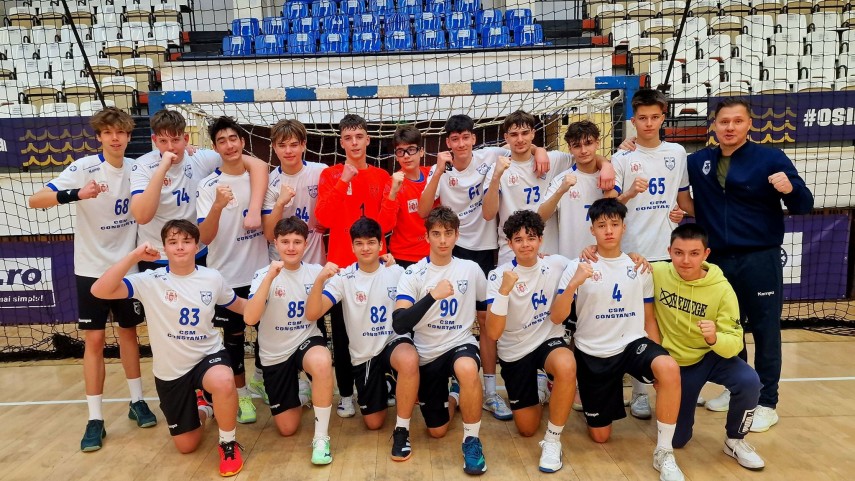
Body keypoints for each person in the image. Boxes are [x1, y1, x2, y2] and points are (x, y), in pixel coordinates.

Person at [619, 97, 815, 430]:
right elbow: (673, 181)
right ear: (714, 126)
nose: (730, 128)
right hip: (719, 260)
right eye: (724, 122)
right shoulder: (698, 161)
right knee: (728, 327)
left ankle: (767, 401)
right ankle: (735, 388)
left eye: (737, 121)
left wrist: (790, 188)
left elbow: (804, 204)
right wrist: (630, 145)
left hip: (759, 257)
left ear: (749, 124)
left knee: (766, 330)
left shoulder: (771, 158)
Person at [28, 107, 156, 452]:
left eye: (121, 132)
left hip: (127, 268)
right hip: (90, 269)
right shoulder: (83, 168)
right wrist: (77, 194)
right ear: (99, 137)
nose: (115, 138)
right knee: (95, 340)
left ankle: (137, 401)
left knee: (129, 335)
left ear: (128, 136)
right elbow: (35, 200)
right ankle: (95, 418)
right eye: (108, 133)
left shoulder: (137, 168)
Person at [90, 220, 247, 477]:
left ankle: (227, 444)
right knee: (187, 445)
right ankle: (204, 408)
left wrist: (270, 299)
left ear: (197, 246)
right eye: (173, 242)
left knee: (223, 380)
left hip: (207, 355)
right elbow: (99, 290)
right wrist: (134, 256)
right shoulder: (149, 279)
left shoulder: (212, 277)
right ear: (164, 247)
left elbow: (241, 306)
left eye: (186, 241)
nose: (180, 247)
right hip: (171, 370)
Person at [418, 114, 548, 421]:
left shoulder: (490, 156)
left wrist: (540, 150)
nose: (461, 144)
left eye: (466, 137)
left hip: (486, 251)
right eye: (455, 139)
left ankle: (490, 390)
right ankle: (450, 380)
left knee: (487, 321)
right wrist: (437, 172)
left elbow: (521, 146)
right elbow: (423, 210)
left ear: (474, 139)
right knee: (447, 315)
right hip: (452, 249)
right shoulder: (441, 168)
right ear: (448, 142)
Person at [551, 198, 684, 481]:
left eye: (614, 224)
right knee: (601, 436)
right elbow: (557, 317)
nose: (609, 230)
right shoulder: (578, 266)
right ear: (592, 230)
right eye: (602, 225)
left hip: (631, 344)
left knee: (669, 367)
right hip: (593, 352)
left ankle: (664, 451)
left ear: (624, 227)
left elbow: (649, 319)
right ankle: (591, 402)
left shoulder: (638, 266)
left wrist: (659, 358)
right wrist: (573, 284)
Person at [305, 217, 420, 462]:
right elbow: (313, 313)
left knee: (409, 358)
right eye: (359, 243)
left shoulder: (397, 272)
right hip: (364, 355)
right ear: (352, 247)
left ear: (381, 245)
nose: (365, 248)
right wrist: (320, 280)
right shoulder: (343, 278)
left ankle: (402, 431)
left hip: (392, 343)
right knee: (373, 423)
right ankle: (387, 385)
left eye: (371, 242)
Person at [652, 224, 765, 470]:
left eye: (694, 253)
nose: (685, 260)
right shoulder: (657, 272)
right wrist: (632, 256)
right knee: (678, 440)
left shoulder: (722, 289)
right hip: (678, 365)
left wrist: (715, 338)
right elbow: (624, 264)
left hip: (712, 356)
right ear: (669, 251)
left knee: (749, 381)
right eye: (679, 253)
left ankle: (735, 440)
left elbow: (734, 343)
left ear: (706, 254)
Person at [611, 89, 694, 420]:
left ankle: (668, 386)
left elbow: (684, 200)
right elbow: (610, 208)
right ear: (633, 120)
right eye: (642, 118)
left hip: (666, 252)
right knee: (633, 324)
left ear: (663, 117)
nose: (648, 123)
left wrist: (684, 214)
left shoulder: (677, 153)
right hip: (632, 254)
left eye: (654, 117)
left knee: (664, 324)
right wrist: (630, 192)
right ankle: (639, 392)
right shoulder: (621, 158)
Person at [392, 206, 489, 475]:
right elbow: (399, 323)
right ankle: (454, 396)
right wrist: (432, 296)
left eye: (448, 233)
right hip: (428, 352)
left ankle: (472, 441)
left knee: (467, 368)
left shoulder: (471, 269)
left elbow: (485, 315)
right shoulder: (414, 273)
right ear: (427, 237)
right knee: (437, 431)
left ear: (457, 235)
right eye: (436, 234)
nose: (443, 240)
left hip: (460, 343)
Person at [314, 113, 395, 418]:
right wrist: (344, 181)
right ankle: (346, 394)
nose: (354, 143)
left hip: (375, 268)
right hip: (341, 269)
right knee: (343, 335)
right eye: (348, 138)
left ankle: (382, 384)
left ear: (368, 139)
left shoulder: (381, 176)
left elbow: (387, 225)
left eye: (359, 136)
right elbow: (323, 218)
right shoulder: (331, 174)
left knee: (380, 329)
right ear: (341, 142)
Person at [484, 210, 576, 473]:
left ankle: (553, 440)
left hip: (548, 339)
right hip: (515, 350)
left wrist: (633, 256)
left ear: (541, 240)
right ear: (509, 243)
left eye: (531, 238)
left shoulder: (557, 263)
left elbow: (592, 258)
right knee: (526, 428)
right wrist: (504, 291)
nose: (525, 244)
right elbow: (493, 333)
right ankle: (540, 385)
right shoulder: (498, 276)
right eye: (518, 239)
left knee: (567, 365)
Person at [243, 217, 335, 466]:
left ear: (306, 243)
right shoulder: (263, 274)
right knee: (287, 428)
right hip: (275, 353)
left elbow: (351, 278)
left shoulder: (316, 272)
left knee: (322, 361)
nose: (291, 247)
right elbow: (250, 319)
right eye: (285, 242)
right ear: (275, 243)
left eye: (297, 241)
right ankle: (302, 392)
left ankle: (321, 438)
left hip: (306, 340)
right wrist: (269, 279)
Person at [196, 116, 270, 425]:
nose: (229, 145)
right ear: (215, 148)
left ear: (243, 142)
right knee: (234, 338)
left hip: (260, 274)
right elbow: (204, 237)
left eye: (233, 139)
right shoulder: (207, 186)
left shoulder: (259, 177)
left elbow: (262, 166)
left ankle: (260, 379)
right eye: (222, 141)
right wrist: (217, 206)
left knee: (267, 332)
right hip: (226, 277)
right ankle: (240, 395)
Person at [130, 109, 268, 270]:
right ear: (154, 140)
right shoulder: (143, 165)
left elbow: (259, 165)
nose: (170, 147)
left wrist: (254, 210)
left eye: (176, 140)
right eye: (163, 141)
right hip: (156, 254)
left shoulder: (200, 157)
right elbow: (142, 217)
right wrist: (162, 168)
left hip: (196, 251)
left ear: (186, 139)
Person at [481, 110, 572, 265]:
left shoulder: (553, 160)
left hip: (546, 252)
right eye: (514, 134)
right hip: (511, 254)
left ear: (533, 134)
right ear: (506, 138)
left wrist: (605, 166)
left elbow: (585, 158)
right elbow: (488, 214)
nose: (520, 139)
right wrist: (496, 176)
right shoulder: (498, 168)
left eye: (525, 133)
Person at [538, 120, 612, 260]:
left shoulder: (609, 176)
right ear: (570, 148)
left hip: (605, 259)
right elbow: (540, 217)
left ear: (598, 143)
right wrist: (560, 191)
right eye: (577, 146)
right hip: (571, 260)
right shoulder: (562, 180)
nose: (583, 151)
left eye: (588, 143)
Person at [262, 119, 327, 265]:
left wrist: (327, 222)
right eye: (282, 145)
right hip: (281, 263)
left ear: (303, 145)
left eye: (293, 145)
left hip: (314, 261)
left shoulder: (321, 171)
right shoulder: (269, 182)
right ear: (274, 147)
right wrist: (280, 203)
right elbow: (270, 235)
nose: (288, 151)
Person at [376, 125, 433, 269]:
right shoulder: (392, 183)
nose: (406, 156)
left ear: (421, 151)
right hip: (403, 256)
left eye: (411, 149)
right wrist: (393, 193)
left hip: (434, 253)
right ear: (396, 156)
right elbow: (384, 227)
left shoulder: (432, 175)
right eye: (401, 151)